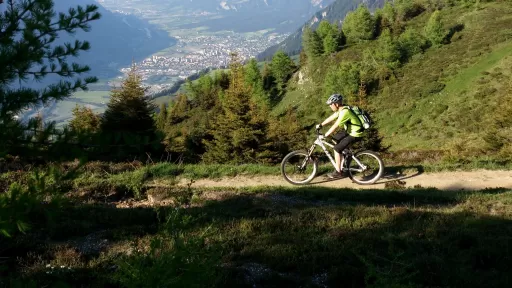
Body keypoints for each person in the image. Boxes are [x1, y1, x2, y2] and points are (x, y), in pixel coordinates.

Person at [316, 93, 364, 179]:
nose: (330, 106)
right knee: (334, 139)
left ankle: (338, 172)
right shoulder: (341, 109)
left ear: (336, 104)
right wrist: (321, 124)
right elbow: (331, 118)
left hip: (355, 133)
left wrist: (325, 135)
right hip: (349, 131)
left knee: (336, 148)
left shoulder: (345, 112)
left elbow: (335, 125)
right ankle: (345, 155)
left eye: (331, 104)